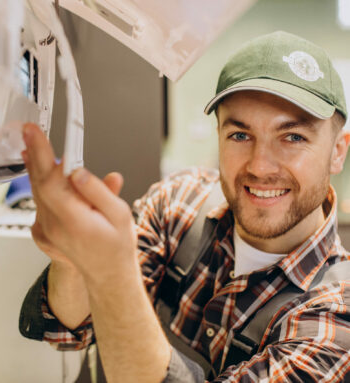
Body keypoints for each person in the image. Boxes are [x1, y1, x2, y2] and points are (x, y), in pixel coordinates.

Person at [18, 31, 350, 382]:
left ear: (338, 151)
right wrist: (72, 260)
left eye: (293, 137)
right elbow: (68, 329)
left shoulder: (334, 319)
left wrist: (111, 272)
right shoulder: (178, 203)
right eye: (240, 135)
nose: (260, 166)